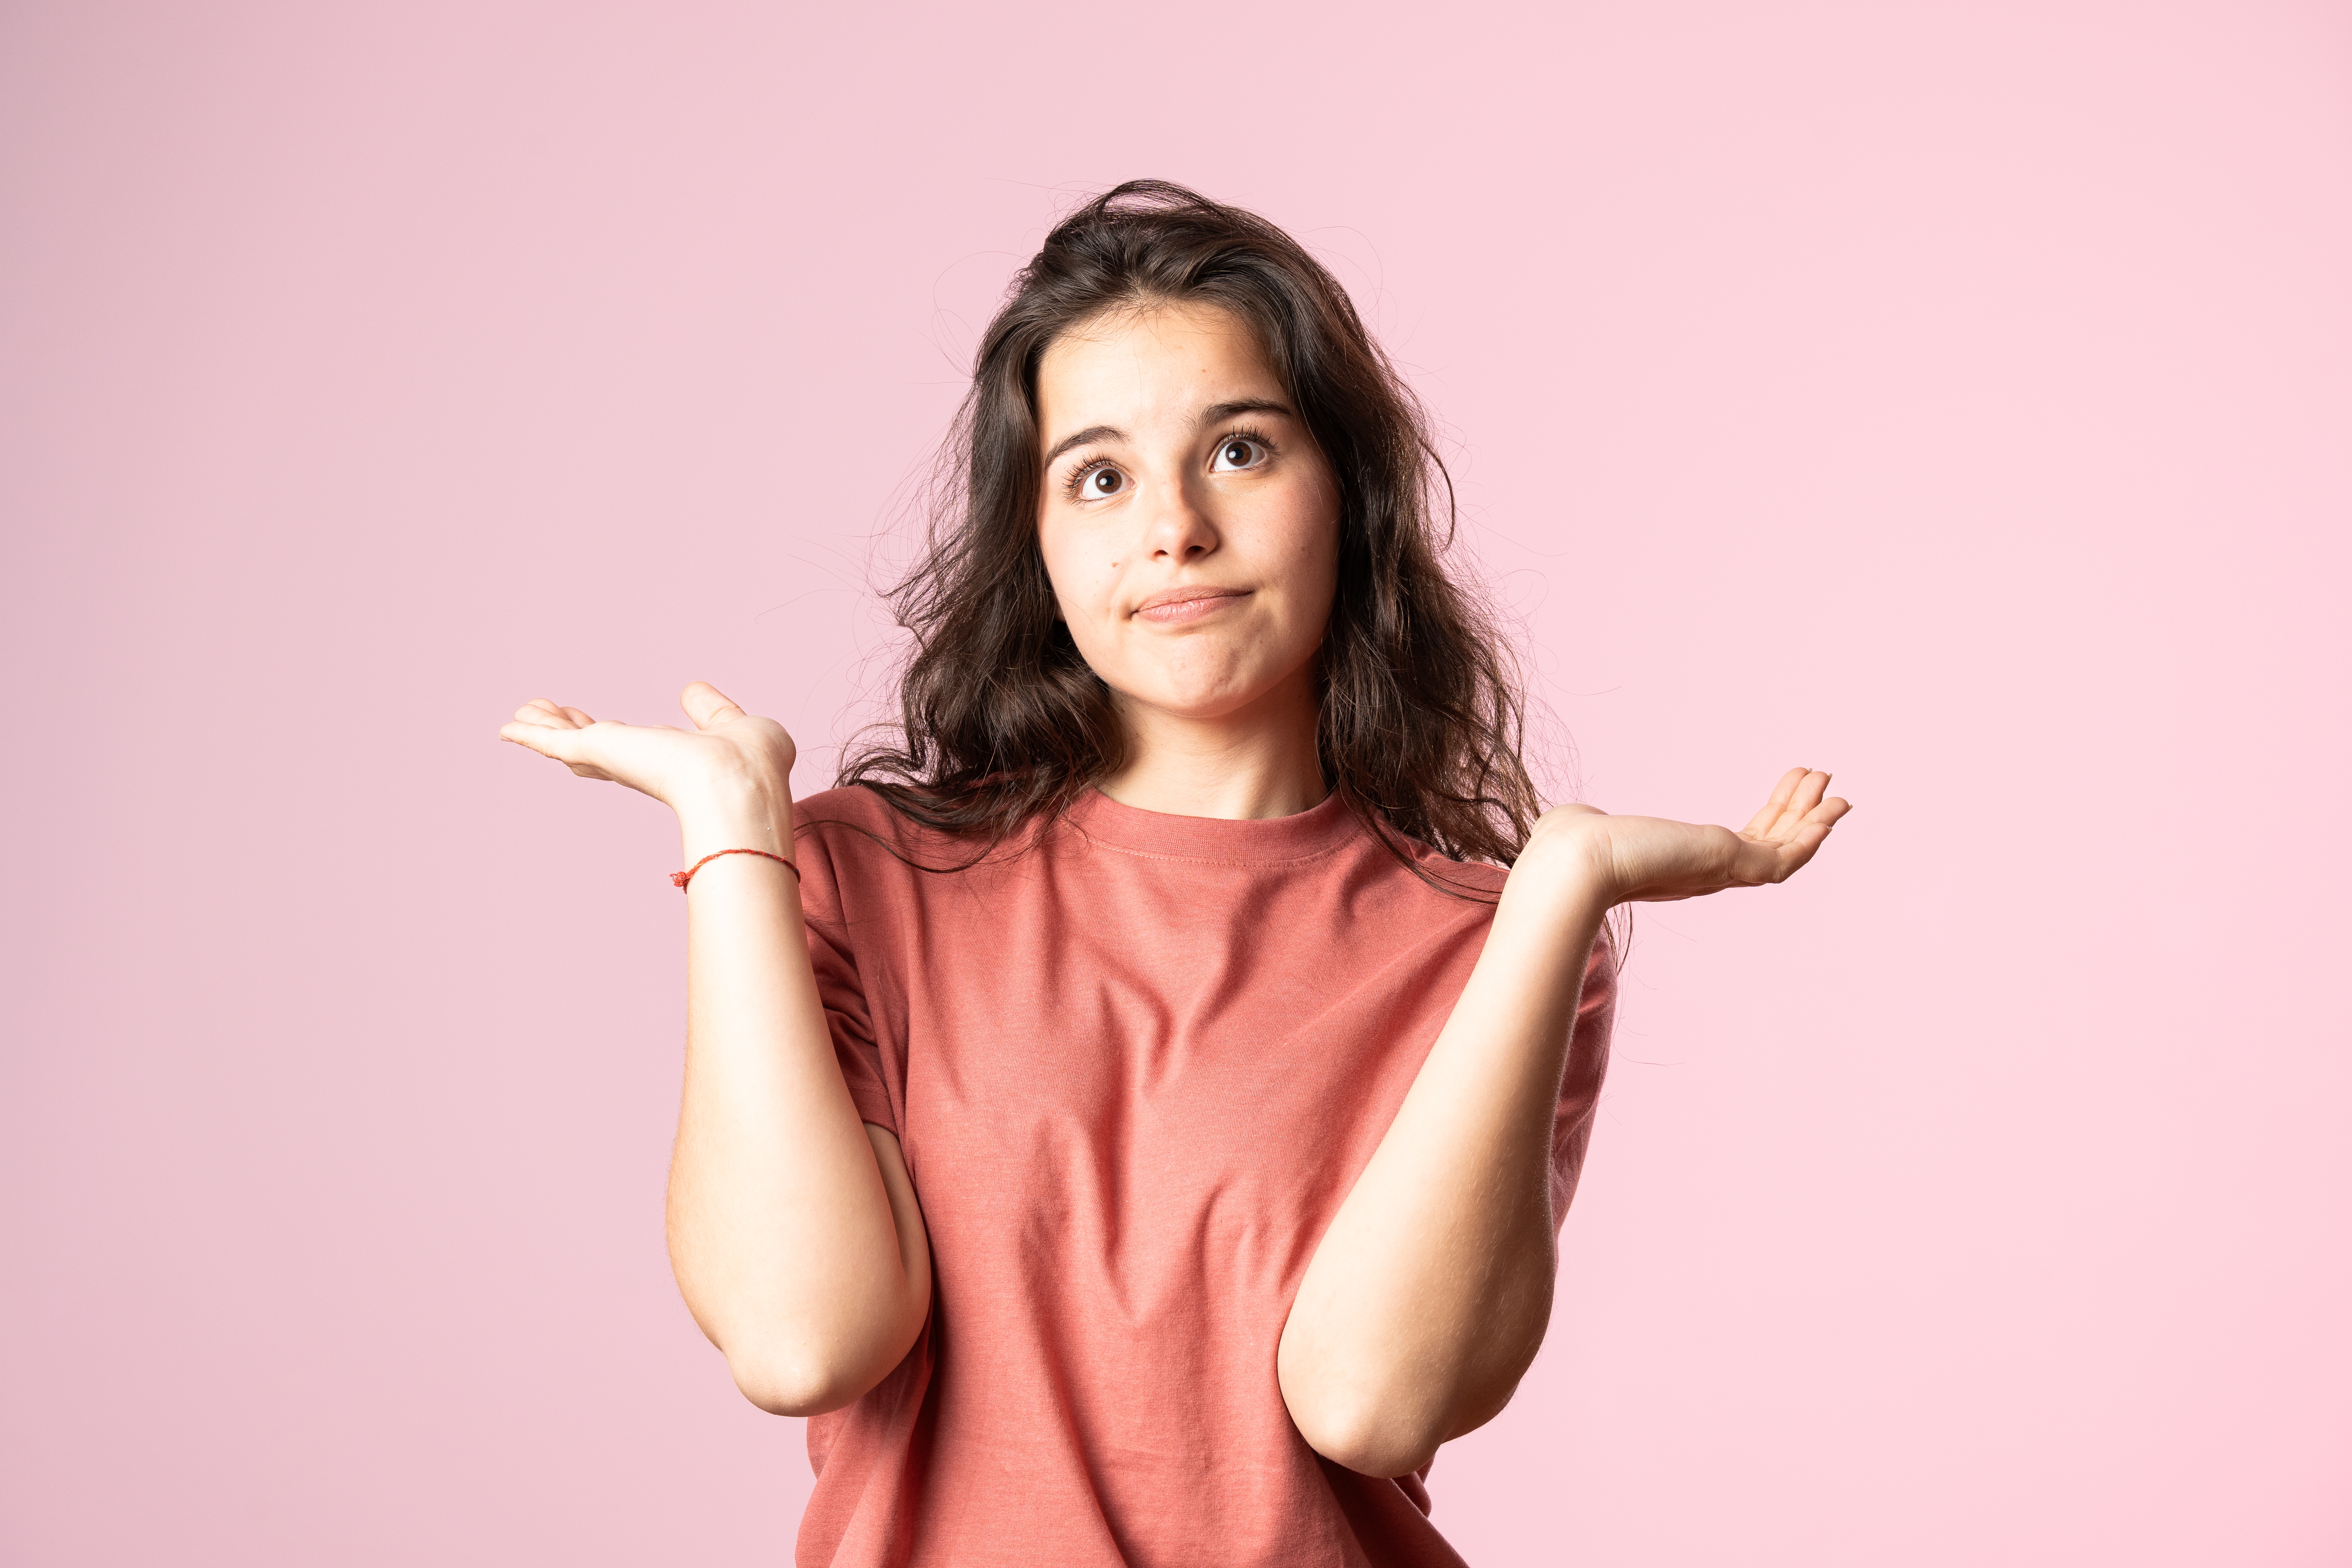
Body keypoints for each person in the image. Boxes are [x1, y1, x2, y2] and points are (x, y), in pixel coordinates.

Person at [498, 180, 1850, 1568]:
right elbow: (802, 1336)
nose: (1174, 528)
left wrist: (1562, 882)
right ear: (1038, 541)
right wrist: (733, 836)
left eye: (1243, 451)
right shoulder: (864, 879)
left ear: (1349, 491)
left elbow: (1374, 1402)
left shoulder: (1485, 946)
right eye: (1099, 475)